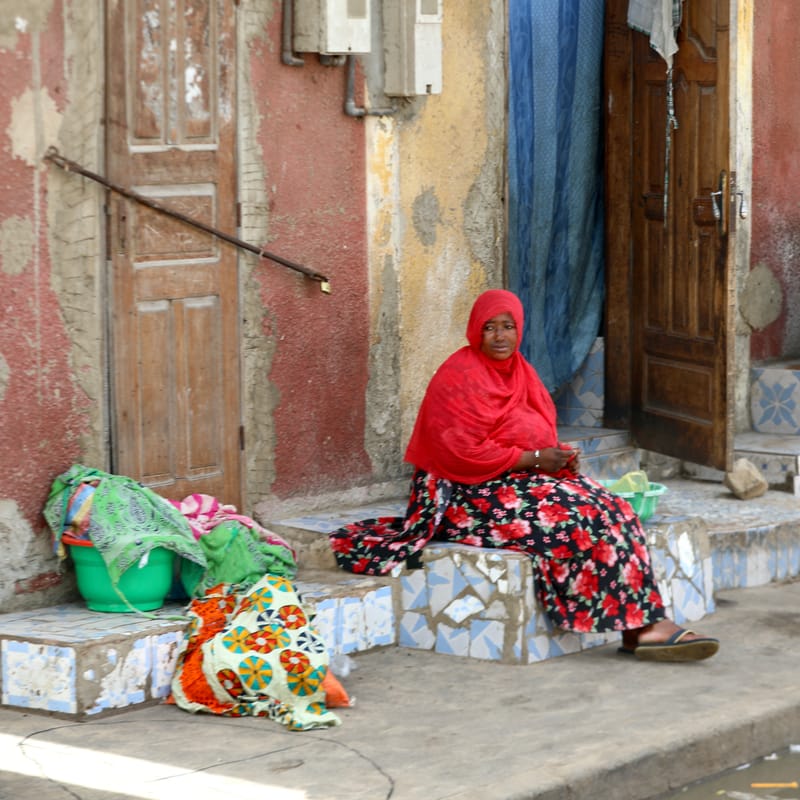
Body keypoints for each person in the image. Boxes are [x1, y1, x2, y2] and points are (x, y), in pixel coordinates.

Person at [330, 289, 719, 662]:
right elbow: (460, 452)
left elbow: (536, 433)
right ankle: (642, 628)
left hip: (514, 480)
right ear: (475, 331)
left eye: (508, 326)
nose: (500, 336)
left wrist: (556, 459)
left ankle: (640, 626)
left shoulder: (521, 372)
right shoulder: (459, 374)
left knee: (615, 508)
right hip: (463, 494)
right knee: (579, 519)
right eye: (490, 327)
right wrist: (533, 457)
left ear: (520, 328)